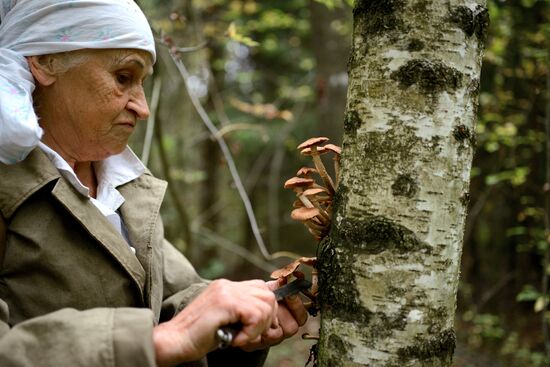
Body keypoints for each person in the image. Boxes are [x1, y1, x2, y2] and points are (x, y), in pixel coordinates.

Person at [0, 1, 307, 366]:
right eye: (123, 77)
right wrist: (167, 339)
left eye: (142, 82)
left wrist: (238, 327)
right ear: (45, 62)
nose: (142, 107)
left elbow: (173, 304)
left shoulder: (125, 189)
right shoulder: (10, 189)